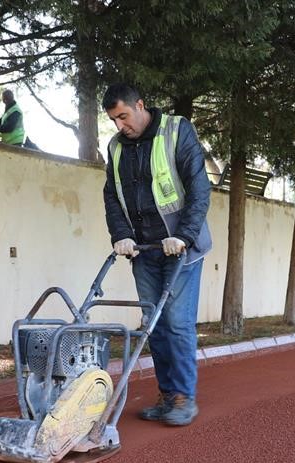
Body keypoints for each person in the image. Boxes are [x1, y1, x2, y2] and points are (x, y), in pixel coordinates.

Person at [102, 83, 211, 427]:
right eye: (113, 120)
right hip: (144, 251)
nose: (120, 125)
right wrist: (121, 235)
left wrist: (183, 235)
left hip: (181, 248)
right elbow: (111, 195)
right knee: (155, 326)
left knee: (177, 324)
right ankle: (167, 397)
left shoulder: (176, 130)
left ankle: (183, 398)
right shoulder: (116, 147)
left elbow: (198, 187)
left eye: (123, 116)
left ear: (140, 105)